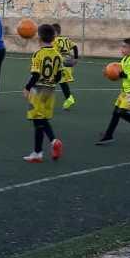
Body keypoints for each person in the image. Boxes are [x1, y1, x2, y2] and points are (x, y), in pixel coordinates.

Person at [23, 24, 65, 163]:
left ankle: (52, 142)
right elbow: (59, 76)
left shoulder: (38, 54)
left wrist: (27, 87)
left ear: (39, 38)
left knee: (38, 120)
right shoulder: (58, 55)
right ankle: (38, 152)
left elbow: (35, 74)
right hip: (51, 91)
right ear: (54, 38)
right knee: (41, 121)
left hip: (38, 90)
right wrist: (51, 81)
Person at [97, 37, 130, 145]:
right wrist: (108, 72)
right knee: (116, 113)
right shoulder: (126, 59)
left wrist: (124, 75)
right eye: (122, 46)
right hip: (125, 91)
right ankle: (108, 135)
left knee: (121, 113)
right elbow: (118, 71)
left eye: (124, 47)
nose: (122, 48)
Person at [52, 22, 79, 110]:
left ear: (55, 33)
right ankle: (69, 99)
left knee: (53, 80)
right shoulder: (66, 39)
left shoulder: (54, 41)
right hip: (68, 64)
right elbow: (75, 47)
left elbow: (54, 54)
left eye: (52, 33)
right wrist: (75, 58)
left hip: (61, 64)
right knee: (62, 82)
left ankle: (69, 98)